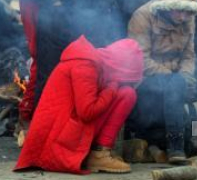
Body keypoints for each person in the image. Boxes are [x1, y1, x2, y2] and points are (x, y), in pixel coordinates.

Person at [14, 36, 143, 174]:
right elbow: (87, 112)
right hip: (57, 143)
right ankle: (99, 154)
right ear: (120, 66)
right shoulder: (85, 66)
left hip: (62, 132)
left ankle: (99, 152)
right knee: (127, 94)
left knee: (126, 92)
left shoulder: (93, 61)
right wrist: (112, 86)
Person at [127, 0, 197, 164]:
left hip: (175, 79)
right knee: (175, 83)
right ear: (169, 4)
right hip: (145, 82)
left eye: (188, 13)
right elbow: (140, 60)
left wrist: (186, 75)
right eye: (179, 12)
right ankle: (175, 147)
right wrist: (174, 77)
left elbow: (189, 55)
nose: (183, 17)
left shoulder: (187, 18)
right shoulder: (143, 16)